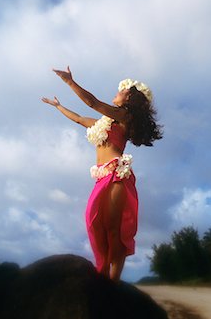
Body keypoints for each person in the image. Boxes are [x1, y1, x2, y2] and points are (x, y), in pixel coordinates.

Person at [42, 66, 162, 282]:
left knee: (113, 229)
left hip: (117, 174)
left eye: (121, 91)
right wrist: (58, 106)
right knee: (92, 220)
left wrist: (70, 82)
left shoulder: (124, 117)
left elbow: (93, 103)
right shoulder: (104, 123)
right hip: (101, 176)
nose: (116, 93)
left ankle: (112, 280)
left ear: (129, 99)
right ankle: (103, 269)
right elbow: (79, 118)